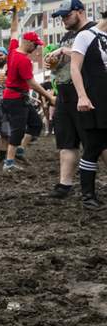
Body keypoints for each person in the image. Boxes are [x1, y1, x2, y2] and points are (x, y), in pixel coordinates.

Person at [45, 0, 102, 198]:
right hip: (64, 94)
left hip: (86, 94)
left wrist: (64, 51)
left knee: (97, 143)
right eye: (61, 16)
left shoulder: (95, 30)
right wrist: (53, 61)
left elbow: (95, 58)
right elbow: (62, 65)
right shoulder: (68, 35)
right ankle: (64, 185)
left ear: (80, 11)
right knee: (66, 142)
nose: (63, 20)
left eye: (66, 15)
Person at [1, 8, 54, 173]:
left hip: (18, 97)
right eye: (36, 45)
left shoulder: (12, 50)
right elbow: (31, 83)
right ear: (29, 43)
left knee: (36, 124)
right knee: (17, 130)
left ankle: (20, 152)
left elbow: (14, 31)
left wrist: (15, 14)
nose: (37, 48)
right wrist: (49, 97)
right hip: (15, 98)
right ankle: (8, 164)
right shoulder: (23, 60)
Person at [68, 13, 107, 209]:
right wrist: (82, 96)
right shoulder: (86, 36)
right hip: (94, 100)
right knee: (92, 146)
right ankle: (88, 196)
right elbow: (75, 68)